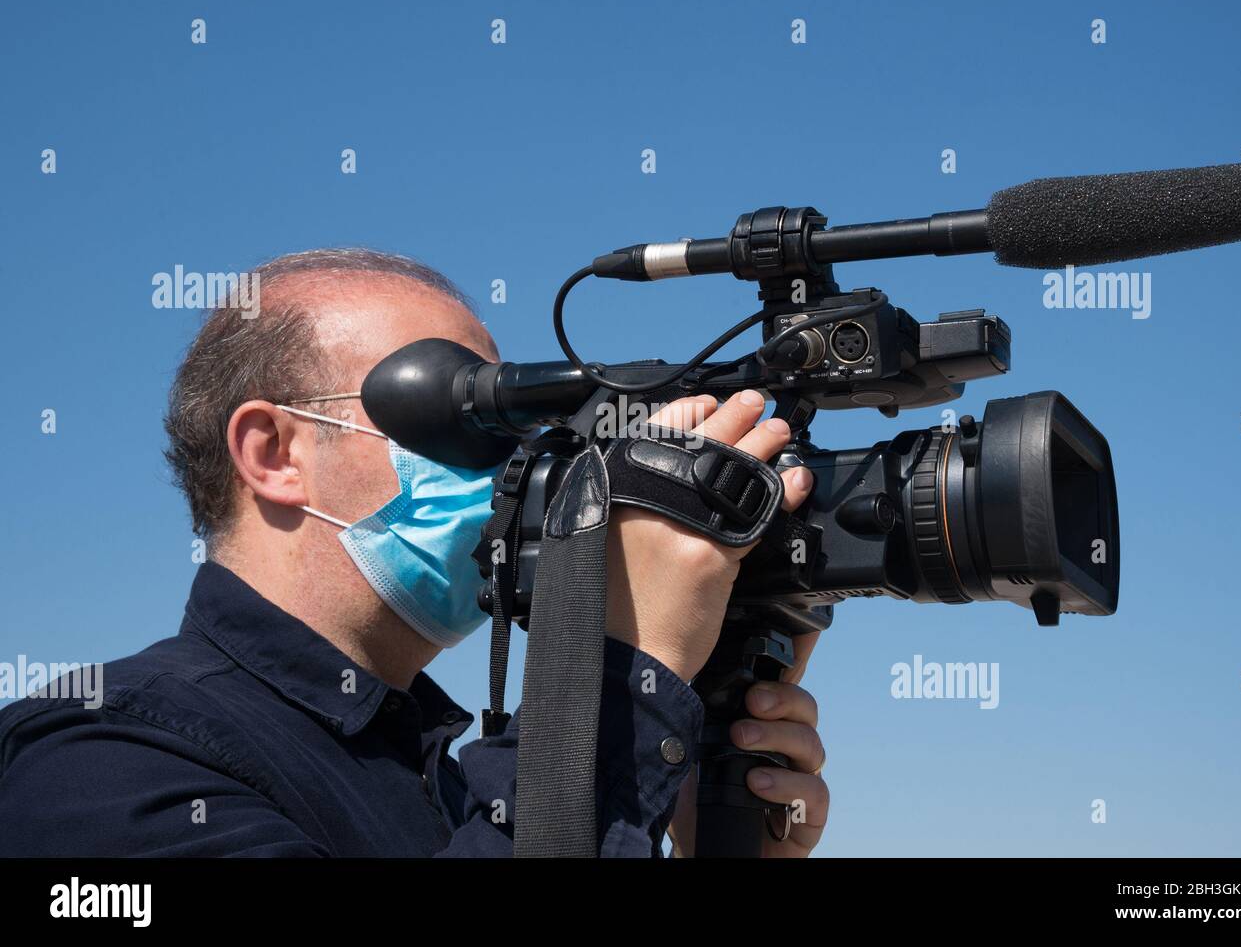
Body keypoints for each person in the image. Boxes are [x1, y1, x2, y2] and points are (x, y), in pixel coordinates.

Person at [0, 249, 828, 857]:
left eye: (515, 429)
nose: (512, 464)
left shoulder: (451, 785)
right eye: (459, 420)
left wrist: (697, 830)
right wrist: (620, 683)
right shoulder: (97, 763)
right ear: (274, 452)